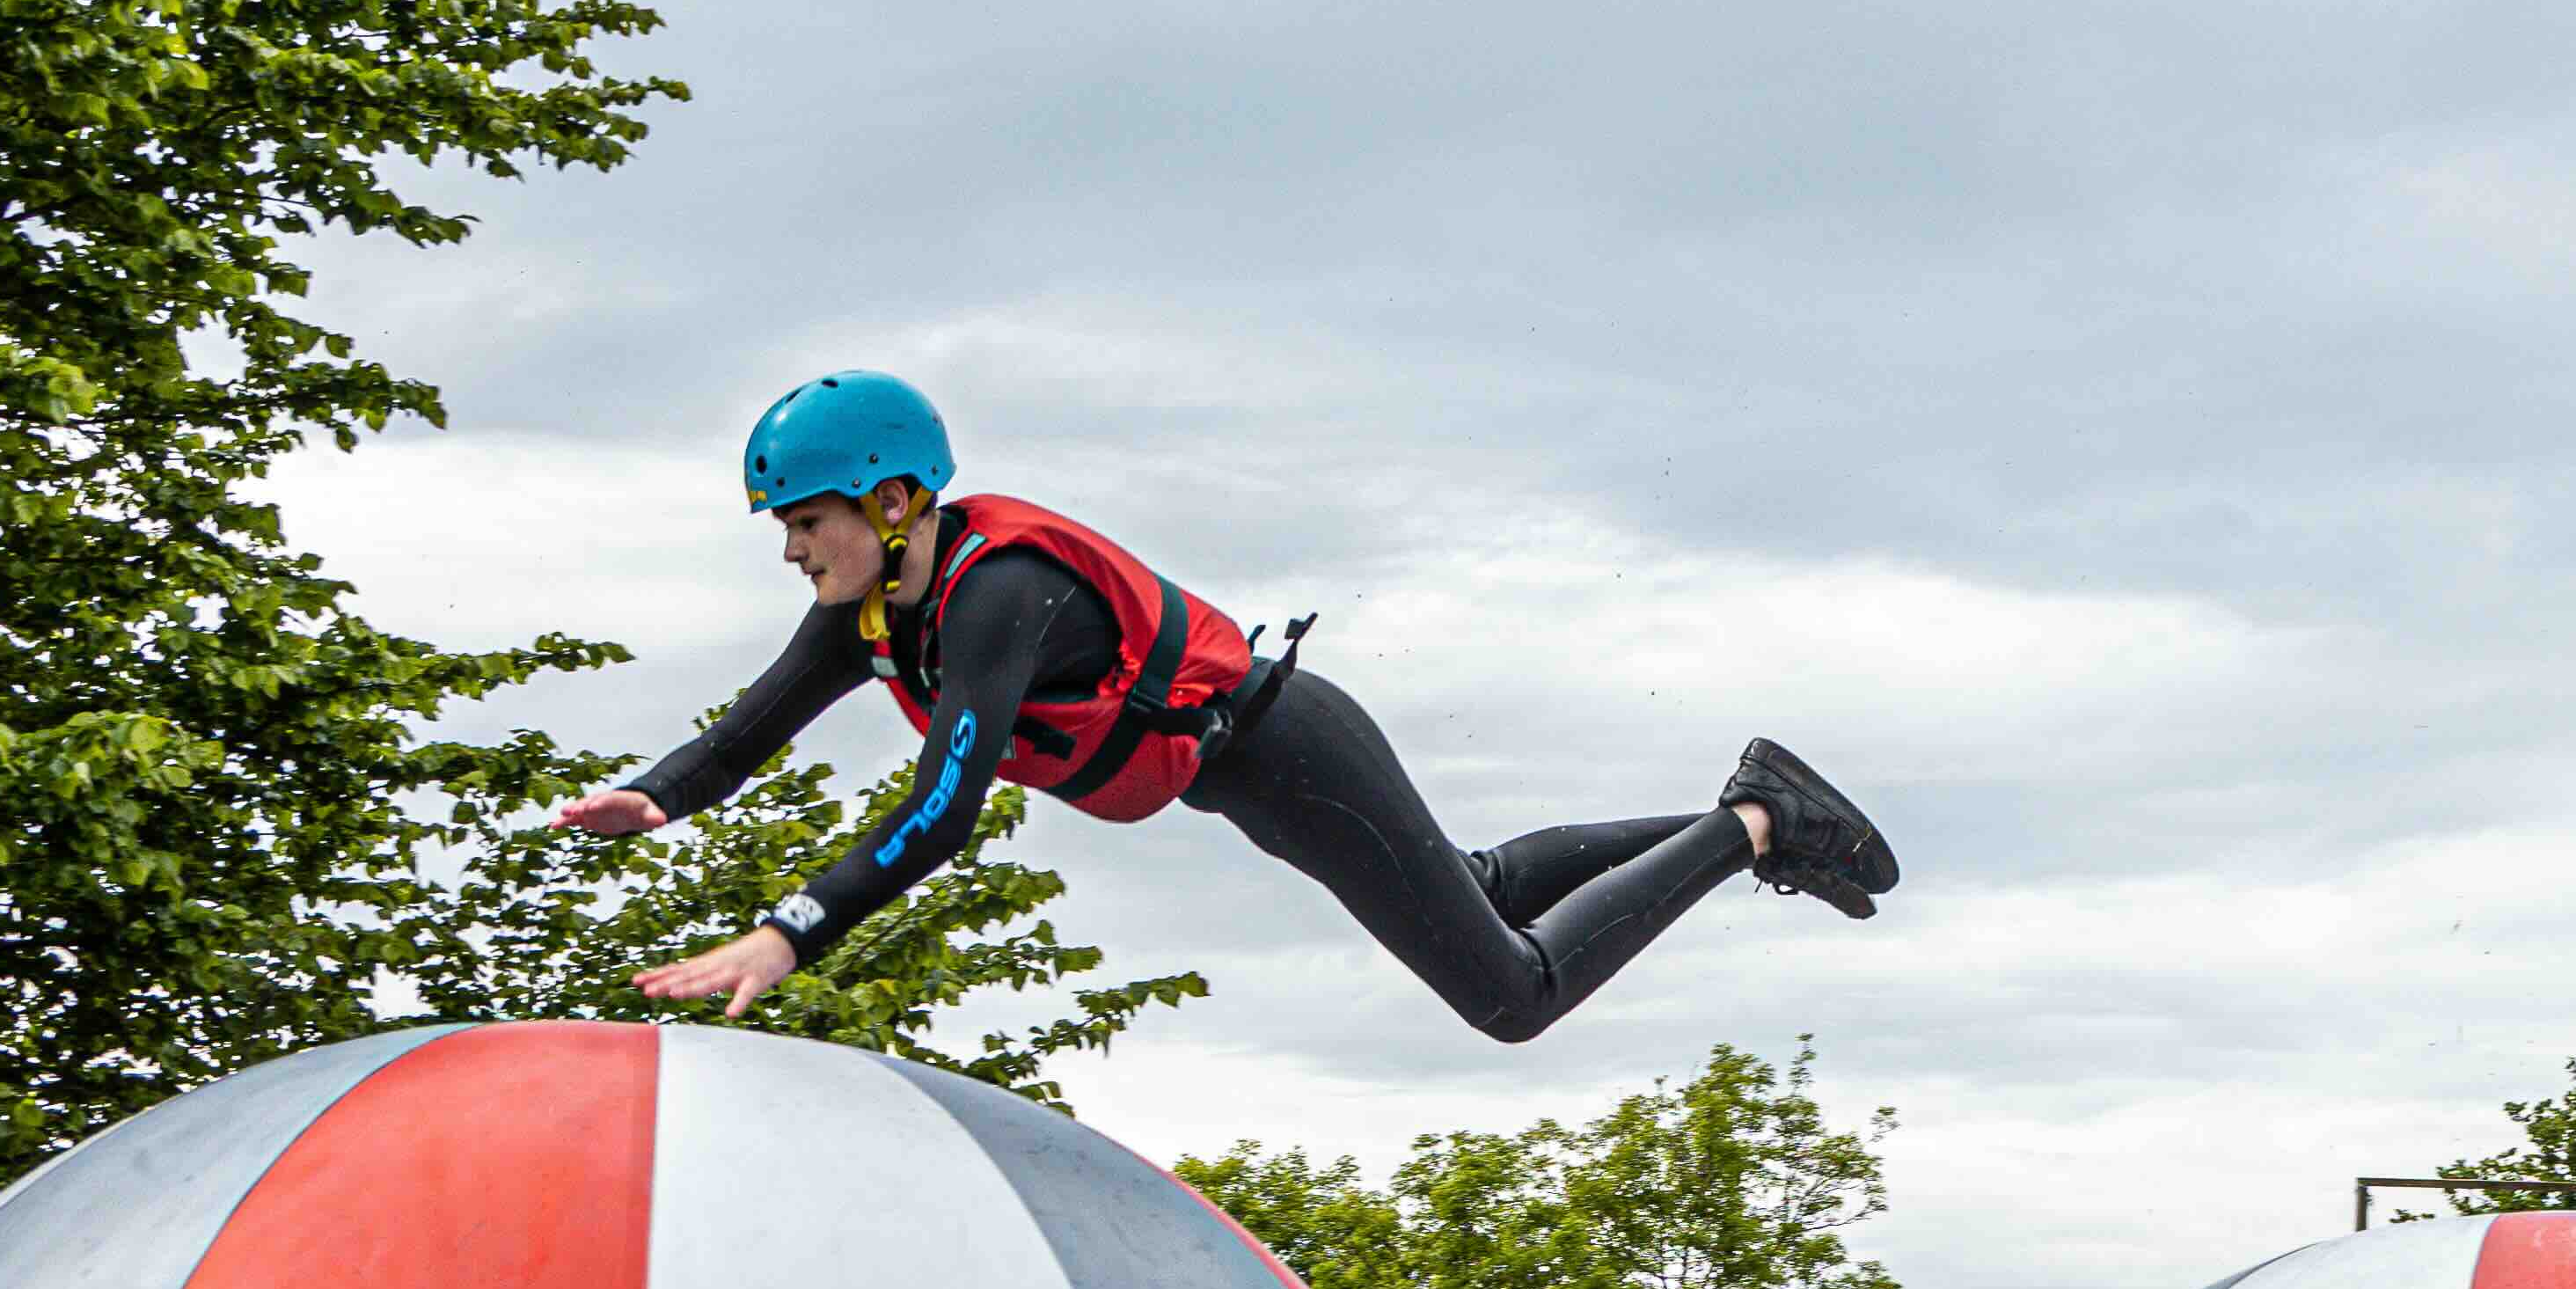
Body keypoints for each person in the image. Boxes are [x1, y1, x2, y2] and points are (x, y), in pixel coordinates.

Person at [560, 374, 1899, 1039]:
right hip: (1247, 772)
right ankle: (1772, 810)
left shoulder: (992, 594)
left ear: (895, 500)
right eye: (784, 531)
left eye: (808, 523)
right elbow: (745, 733)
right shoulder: (874, 615)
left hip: (1285, 746)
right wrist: (655, 798)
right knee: (1483, 886)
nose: (793, 551)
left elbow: (944, 808)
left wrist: (790, 933)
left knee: (1512, 993)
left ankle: (1754, 826)